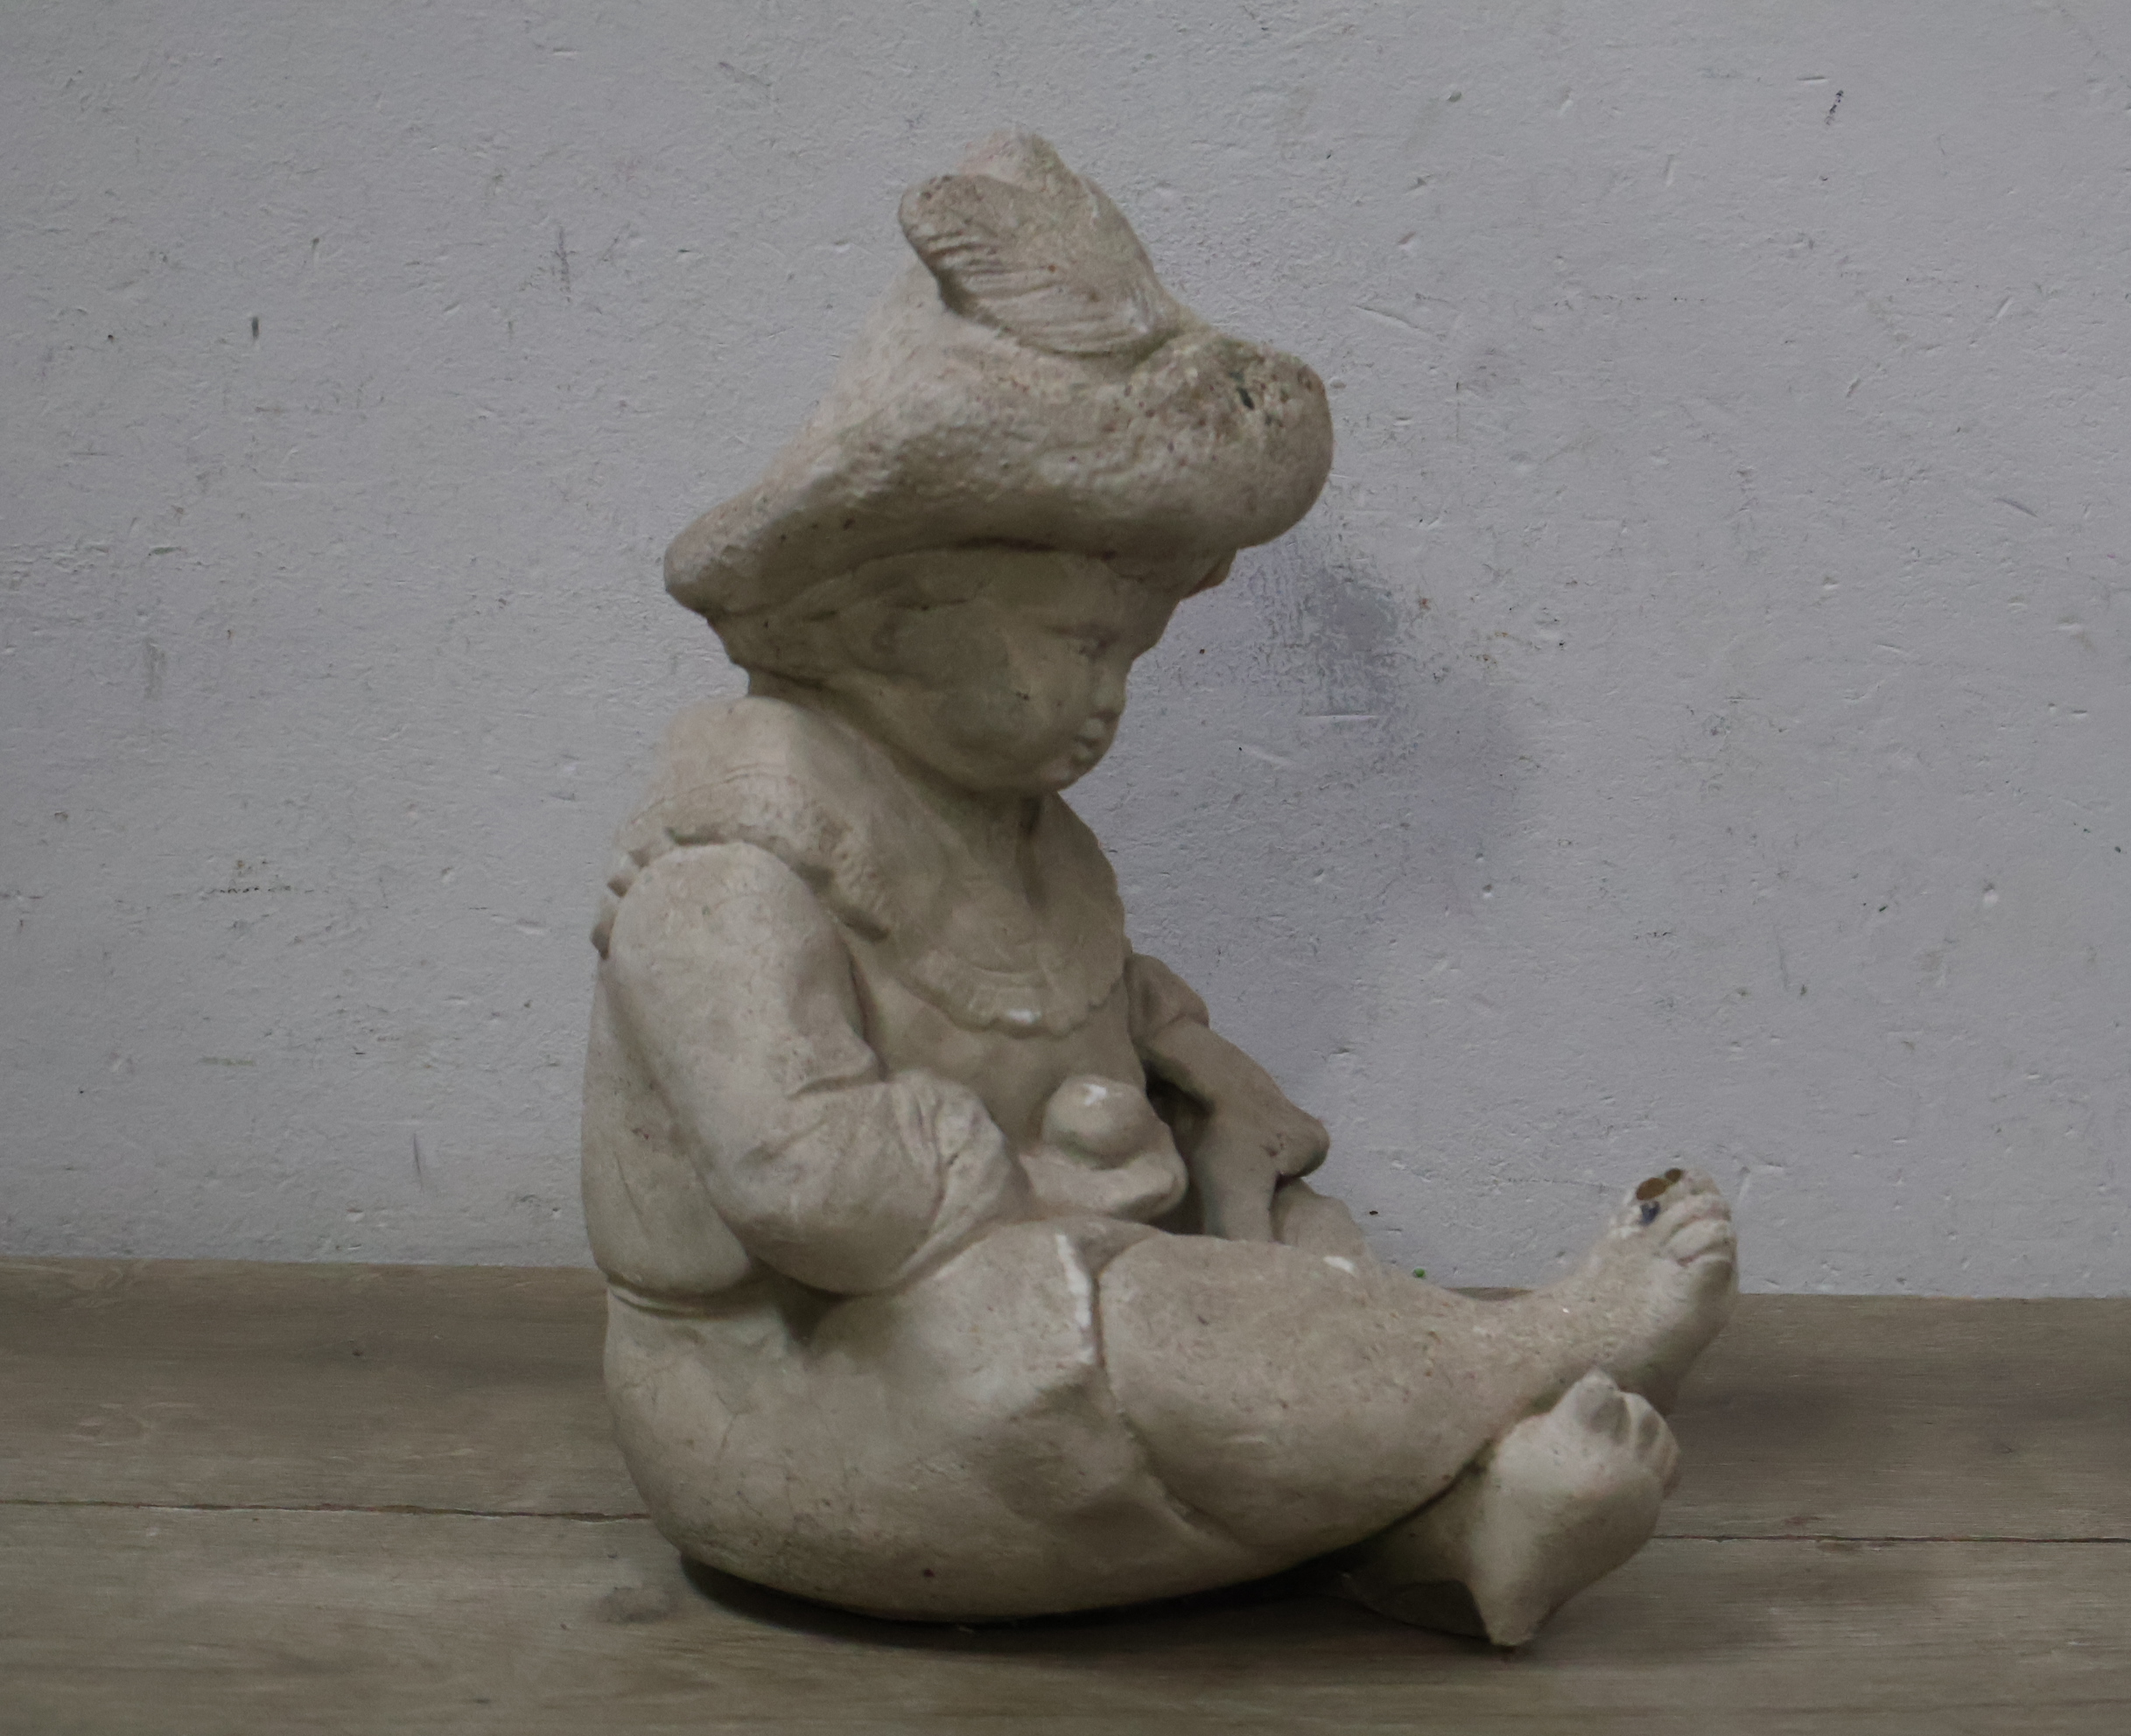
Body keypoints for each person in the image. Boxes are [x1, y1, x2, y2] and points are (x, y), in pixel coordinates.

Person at [582, 133, 1733, 1646]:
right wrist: (1011, 1169)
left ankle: (1464, 1526)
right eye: (1079, 647)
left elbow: (1092, 1012)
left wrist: (1191, 1084)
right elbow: (805, 1193)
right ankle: (1537, 1351)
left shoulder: (1024, 842)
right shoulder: (731, 867)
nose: (1110, 698)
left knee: (1287, 1251)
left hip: (1029, 1359)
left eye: (1129, 655)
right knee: (1076, 1328)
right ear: (897, 620)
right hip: (800, 1401)